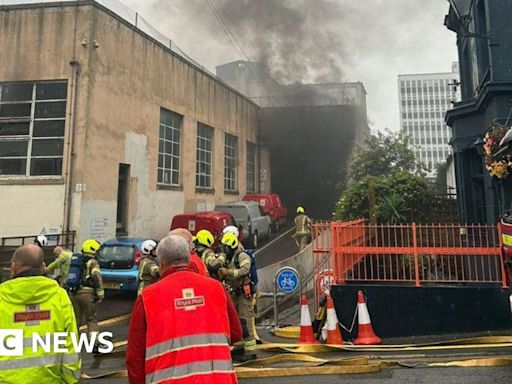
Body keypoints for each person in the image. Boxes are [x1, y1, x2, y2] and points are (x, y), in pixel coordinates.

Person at [127, 235, 241, 384]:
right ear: (188, 258)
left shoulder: (147, 298)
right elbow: (236, 333)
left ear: (161, 263)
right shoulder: (217, 288)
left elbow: (135, 358)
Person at [0, 244, 81, 383]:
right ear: (43, 266)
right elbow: (70, 347)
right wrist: (70, 380)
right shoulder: (59, 296)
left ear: (13, 266)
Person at [218, 233, 257, 360]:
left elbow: (245, 270)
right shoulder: (228, 258)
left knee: (244, 321)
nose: (224, 251)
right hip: (233, 293)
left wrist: (228, 272)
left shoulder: (242, 256)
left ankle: (251, 351)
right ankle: (239, 347)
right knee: (234, 321)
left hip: (243, 294)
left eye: (226, 248)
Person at [69, 239, 104, 354]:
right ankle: (95, 344)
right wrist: (100, 294)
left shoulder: (77, 261)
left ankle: (72, 345)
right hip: (87, 294)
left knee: (75, 321)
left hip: (74, 293)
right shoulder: (93, 262)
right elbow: (96, 277)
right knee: (91, 319)